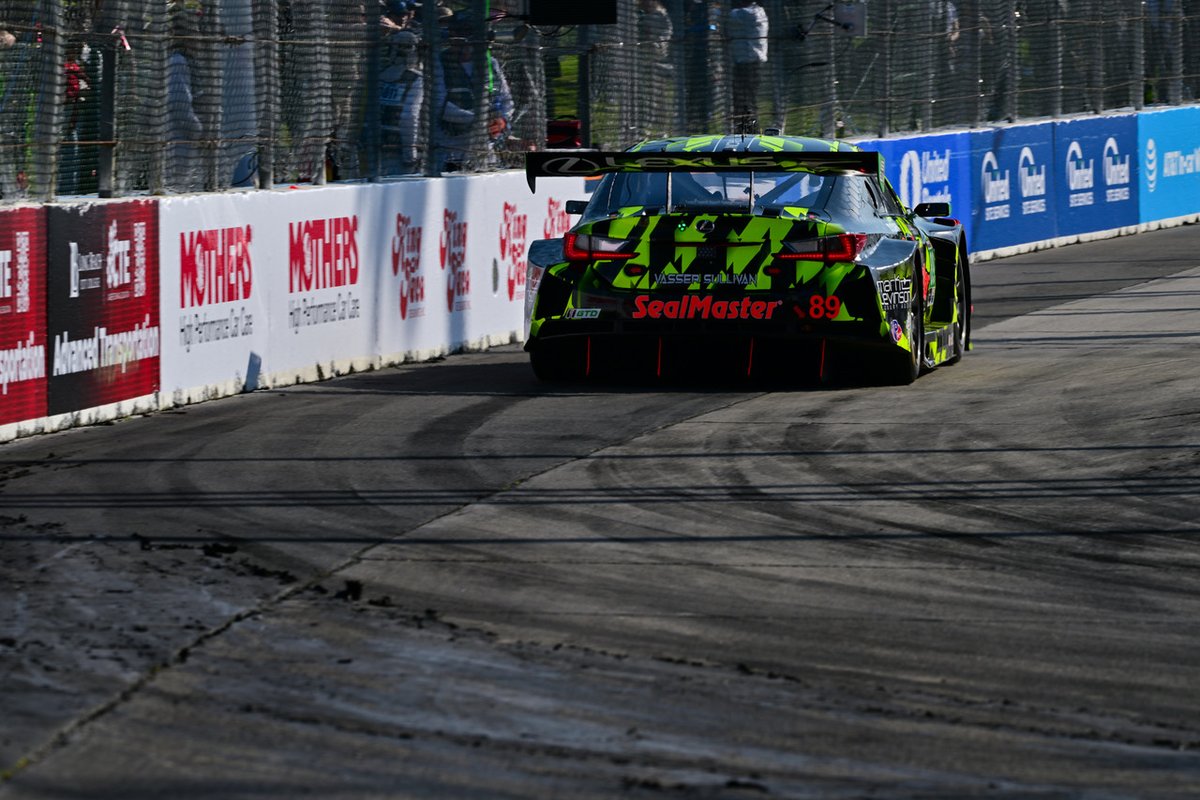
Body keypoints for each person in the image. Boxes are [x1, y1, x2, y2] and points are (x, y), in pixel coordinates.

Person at [432, 12, 513, 171]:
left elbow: (506, 100)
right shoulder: (440, 62)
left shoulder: (489, 62)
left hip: (485, 145)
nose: (462, 39)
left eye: (467, 32)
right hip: (451, 145)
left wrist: (502, 119)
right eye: (457, 32)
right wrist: (480, 119)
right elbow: (440, 106)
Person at [379, 29, 424, 174]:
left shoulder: (379, 74)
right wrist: (410, 154)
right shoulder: (416, 79)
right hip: (399, 147)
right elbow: (409, 117)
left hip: (374, 144)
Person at [727, 0, 768, 133]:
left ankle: (750, 131)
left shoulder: (750, 13)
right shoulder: (759, 11)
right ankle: (745, 130)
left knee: (745, 100)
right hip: (749, 63)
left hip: (748, 63)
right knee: (745, 99)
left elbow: (729, 17)